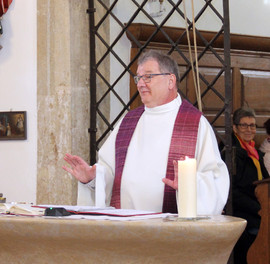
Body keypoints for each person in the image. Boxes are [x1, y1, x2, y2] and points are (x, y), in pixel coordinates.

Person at [63, 50, 229, 215]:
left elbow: (215, 179)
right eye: (138, 78)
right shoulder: (128, 121)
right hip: (128, 228)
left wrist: (190, 184)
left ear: (170, 81)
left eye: (148, 77)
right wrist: (92, 178)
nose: (140, 84)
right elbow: (110, 172)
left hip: (171, 232)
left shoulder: (195, 123)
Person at [225, 107, 269, 264]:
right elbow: (232, 191)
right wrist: (258, 209)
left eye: (252, 125)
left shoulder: (254, 152)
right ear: (235, 127)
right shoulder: (231, 152)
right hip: (242, 213)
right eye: (244, 125)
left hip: (259, 209)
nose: (249, 129)